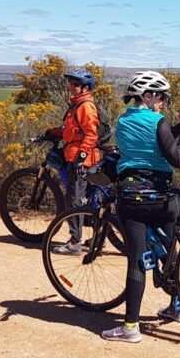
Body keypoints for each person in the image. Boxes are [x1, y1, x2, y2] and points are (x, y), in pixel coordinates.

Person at [102, 70, 180, 344]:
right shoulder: (159, 122)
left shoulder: (122, 121)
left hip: (134, 200)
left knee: (137, 261)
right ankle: (177, 308)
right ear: (147, 96)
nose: (163, 102)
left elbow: (146, 144)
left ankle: (130, 328)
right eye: (161, 97)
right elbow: (177, 158)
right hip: (164, 200)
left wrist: (176, 128)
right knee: (169, 252)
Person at [45, 68, 103, 255]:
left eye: (75, 84)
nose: (71, 86)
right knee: (88, 200)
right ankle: (97, 238)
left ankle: (74, 243)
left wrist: (82, 158)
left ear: (85, 88)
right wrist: (54, 132)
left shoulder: (85, 106)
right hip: (77, 155)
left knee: (74, 201)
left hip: (81, 159)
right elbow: (72, 130)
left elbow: (91, 135)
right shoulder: (76, 105)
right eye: (70, 83)